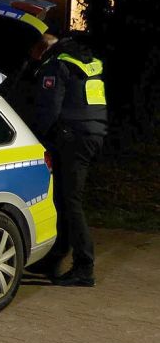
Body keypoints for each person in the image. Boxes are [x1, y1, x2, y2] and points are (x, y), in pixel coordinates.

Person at [26, 33, 108, 287]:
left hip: (71, 135)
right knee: (62, 198)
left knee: (70, 201)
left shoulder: (57, 64)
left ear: (42, 47)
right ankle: (54, 258)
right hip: (93, 132)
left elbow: (49, 107)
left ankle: (84, 267)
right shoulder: (89, 61)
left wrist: (35, 137)